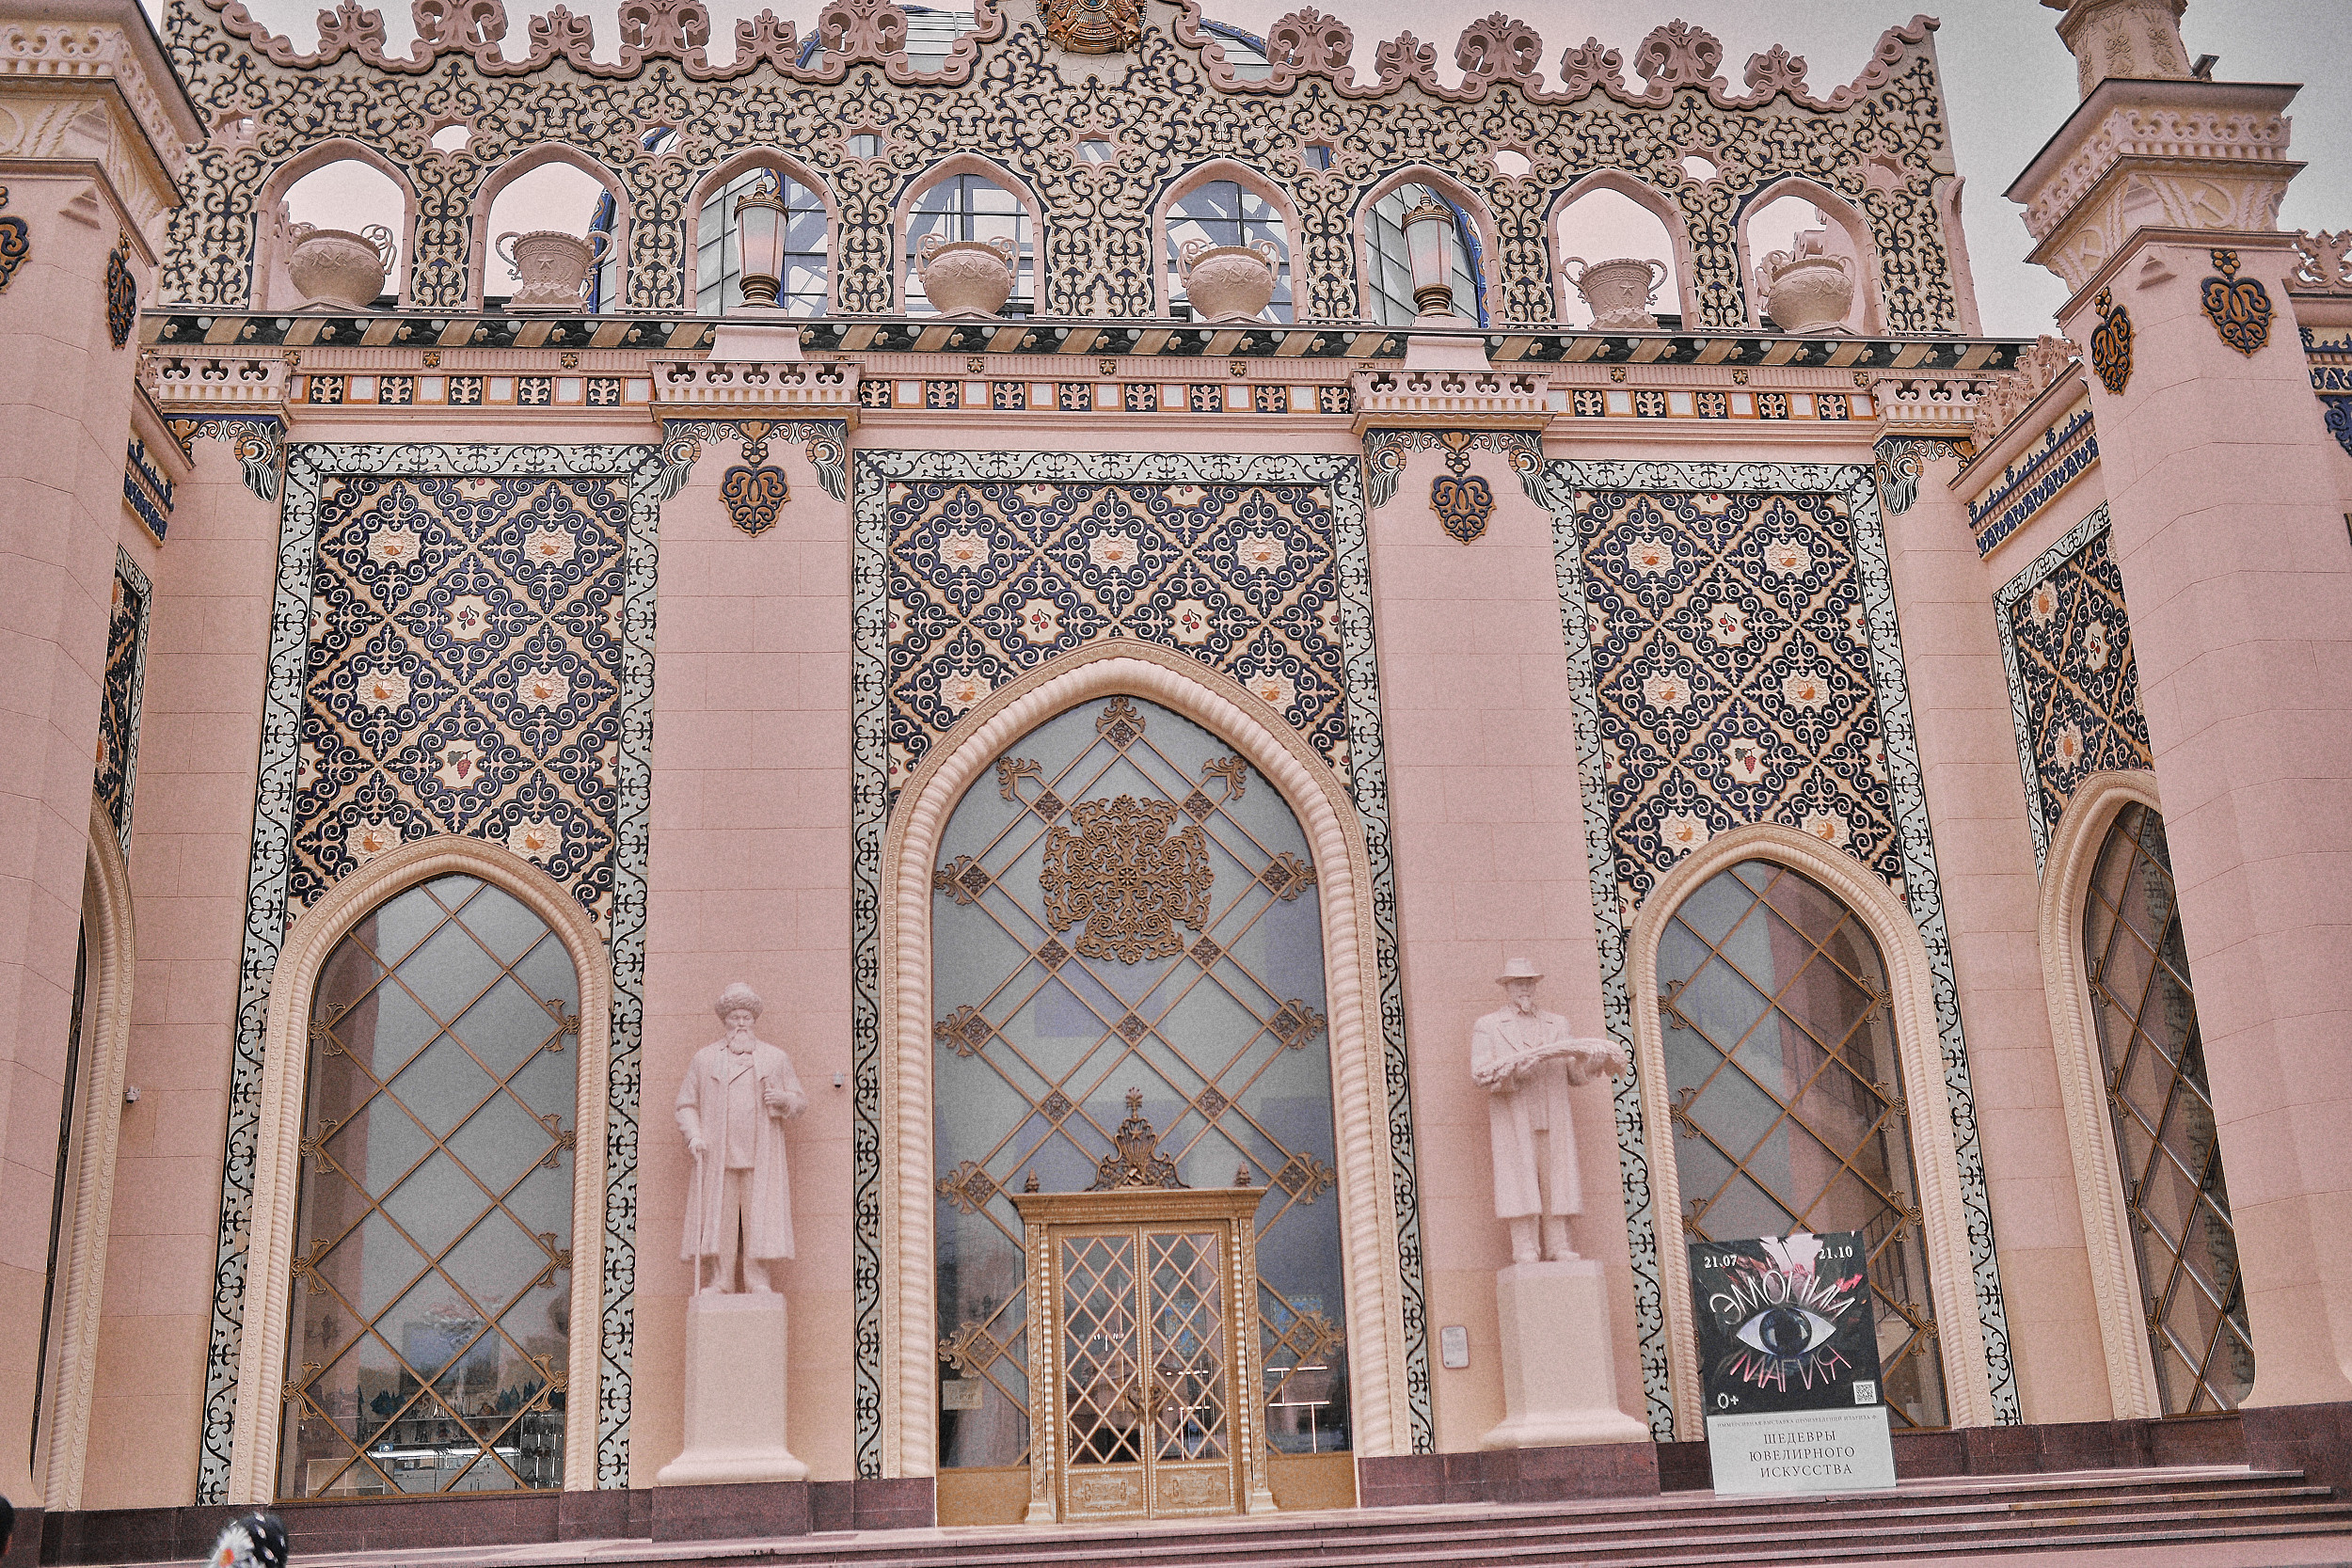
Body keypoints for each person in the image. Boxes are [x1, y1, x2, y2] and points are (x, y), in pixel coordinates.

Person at [1470, 958, 1626, 1263]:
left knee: (1559, 1180)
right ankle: (1525, 1246)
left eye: (1529, 981)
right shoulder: (1488, 1026)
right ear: (1507, 986)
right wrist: (1516, 1074)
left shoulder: (1558, 1023)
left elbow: (1575, 1075)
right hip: (1517, 1115)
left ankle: (1559, 1245)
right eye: (1518, 981)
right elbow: (1480, 1074)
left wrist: (1592, 1063)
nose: (1525, 986)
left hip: (1553, 1114)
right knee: (1521, 1180)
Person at [675, 981, 807, 1292]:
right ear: (725, 1021)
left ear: (754, 1020)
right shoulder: (704, 1059)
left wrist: (784, 1100)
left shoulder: (775, 1058)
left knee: (759, 1217)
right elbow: (685, 1104)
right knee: (719, 1218)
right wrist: (694, 1135)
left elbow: (800, 1101)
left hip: (760, 1153)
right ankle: (720, 1279)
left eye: (746, 1017)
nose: (740, 1023)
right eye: (735, 1017)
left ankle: (757, 1279)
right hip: (718, 1153)